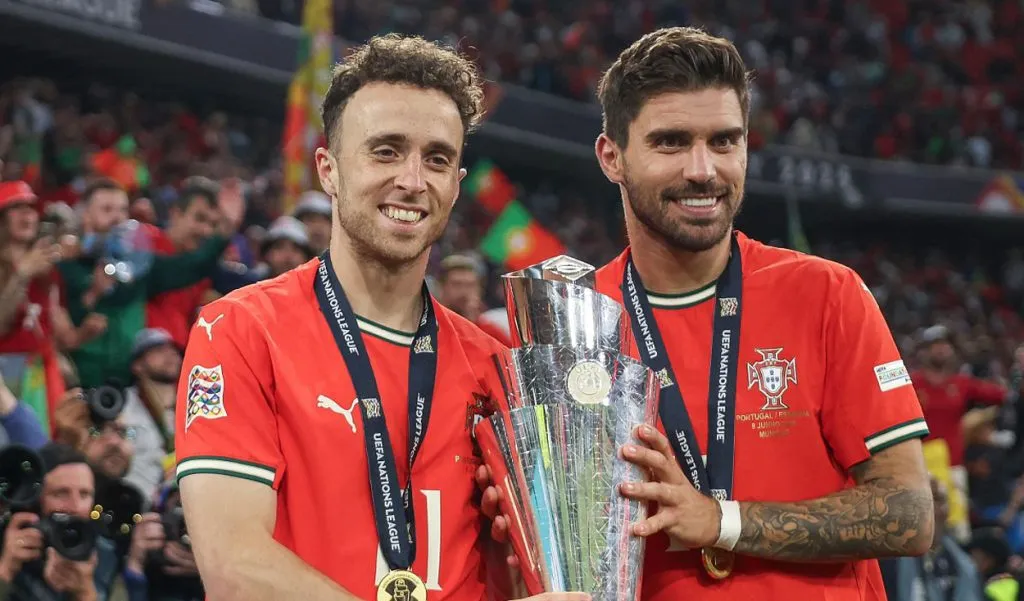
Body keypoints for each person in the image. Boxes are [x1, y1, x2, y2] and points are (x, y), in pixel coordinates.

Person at [483, 26, 933, 601]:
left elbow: (910, 512)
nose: (704, 170)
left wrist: (721, 521)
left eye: (724, 141)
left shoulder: (826, 293)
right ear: (611, 156)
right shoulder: (573, 320)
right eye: (671, 142)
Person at [174, 34, 587, 601]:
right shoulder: (242, 329)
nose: (413, 180)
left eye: (437, 159)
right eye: (386, 150)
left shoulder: (497, 365)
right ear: (329, 169)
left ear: (456, 185)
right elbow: (235, 569)